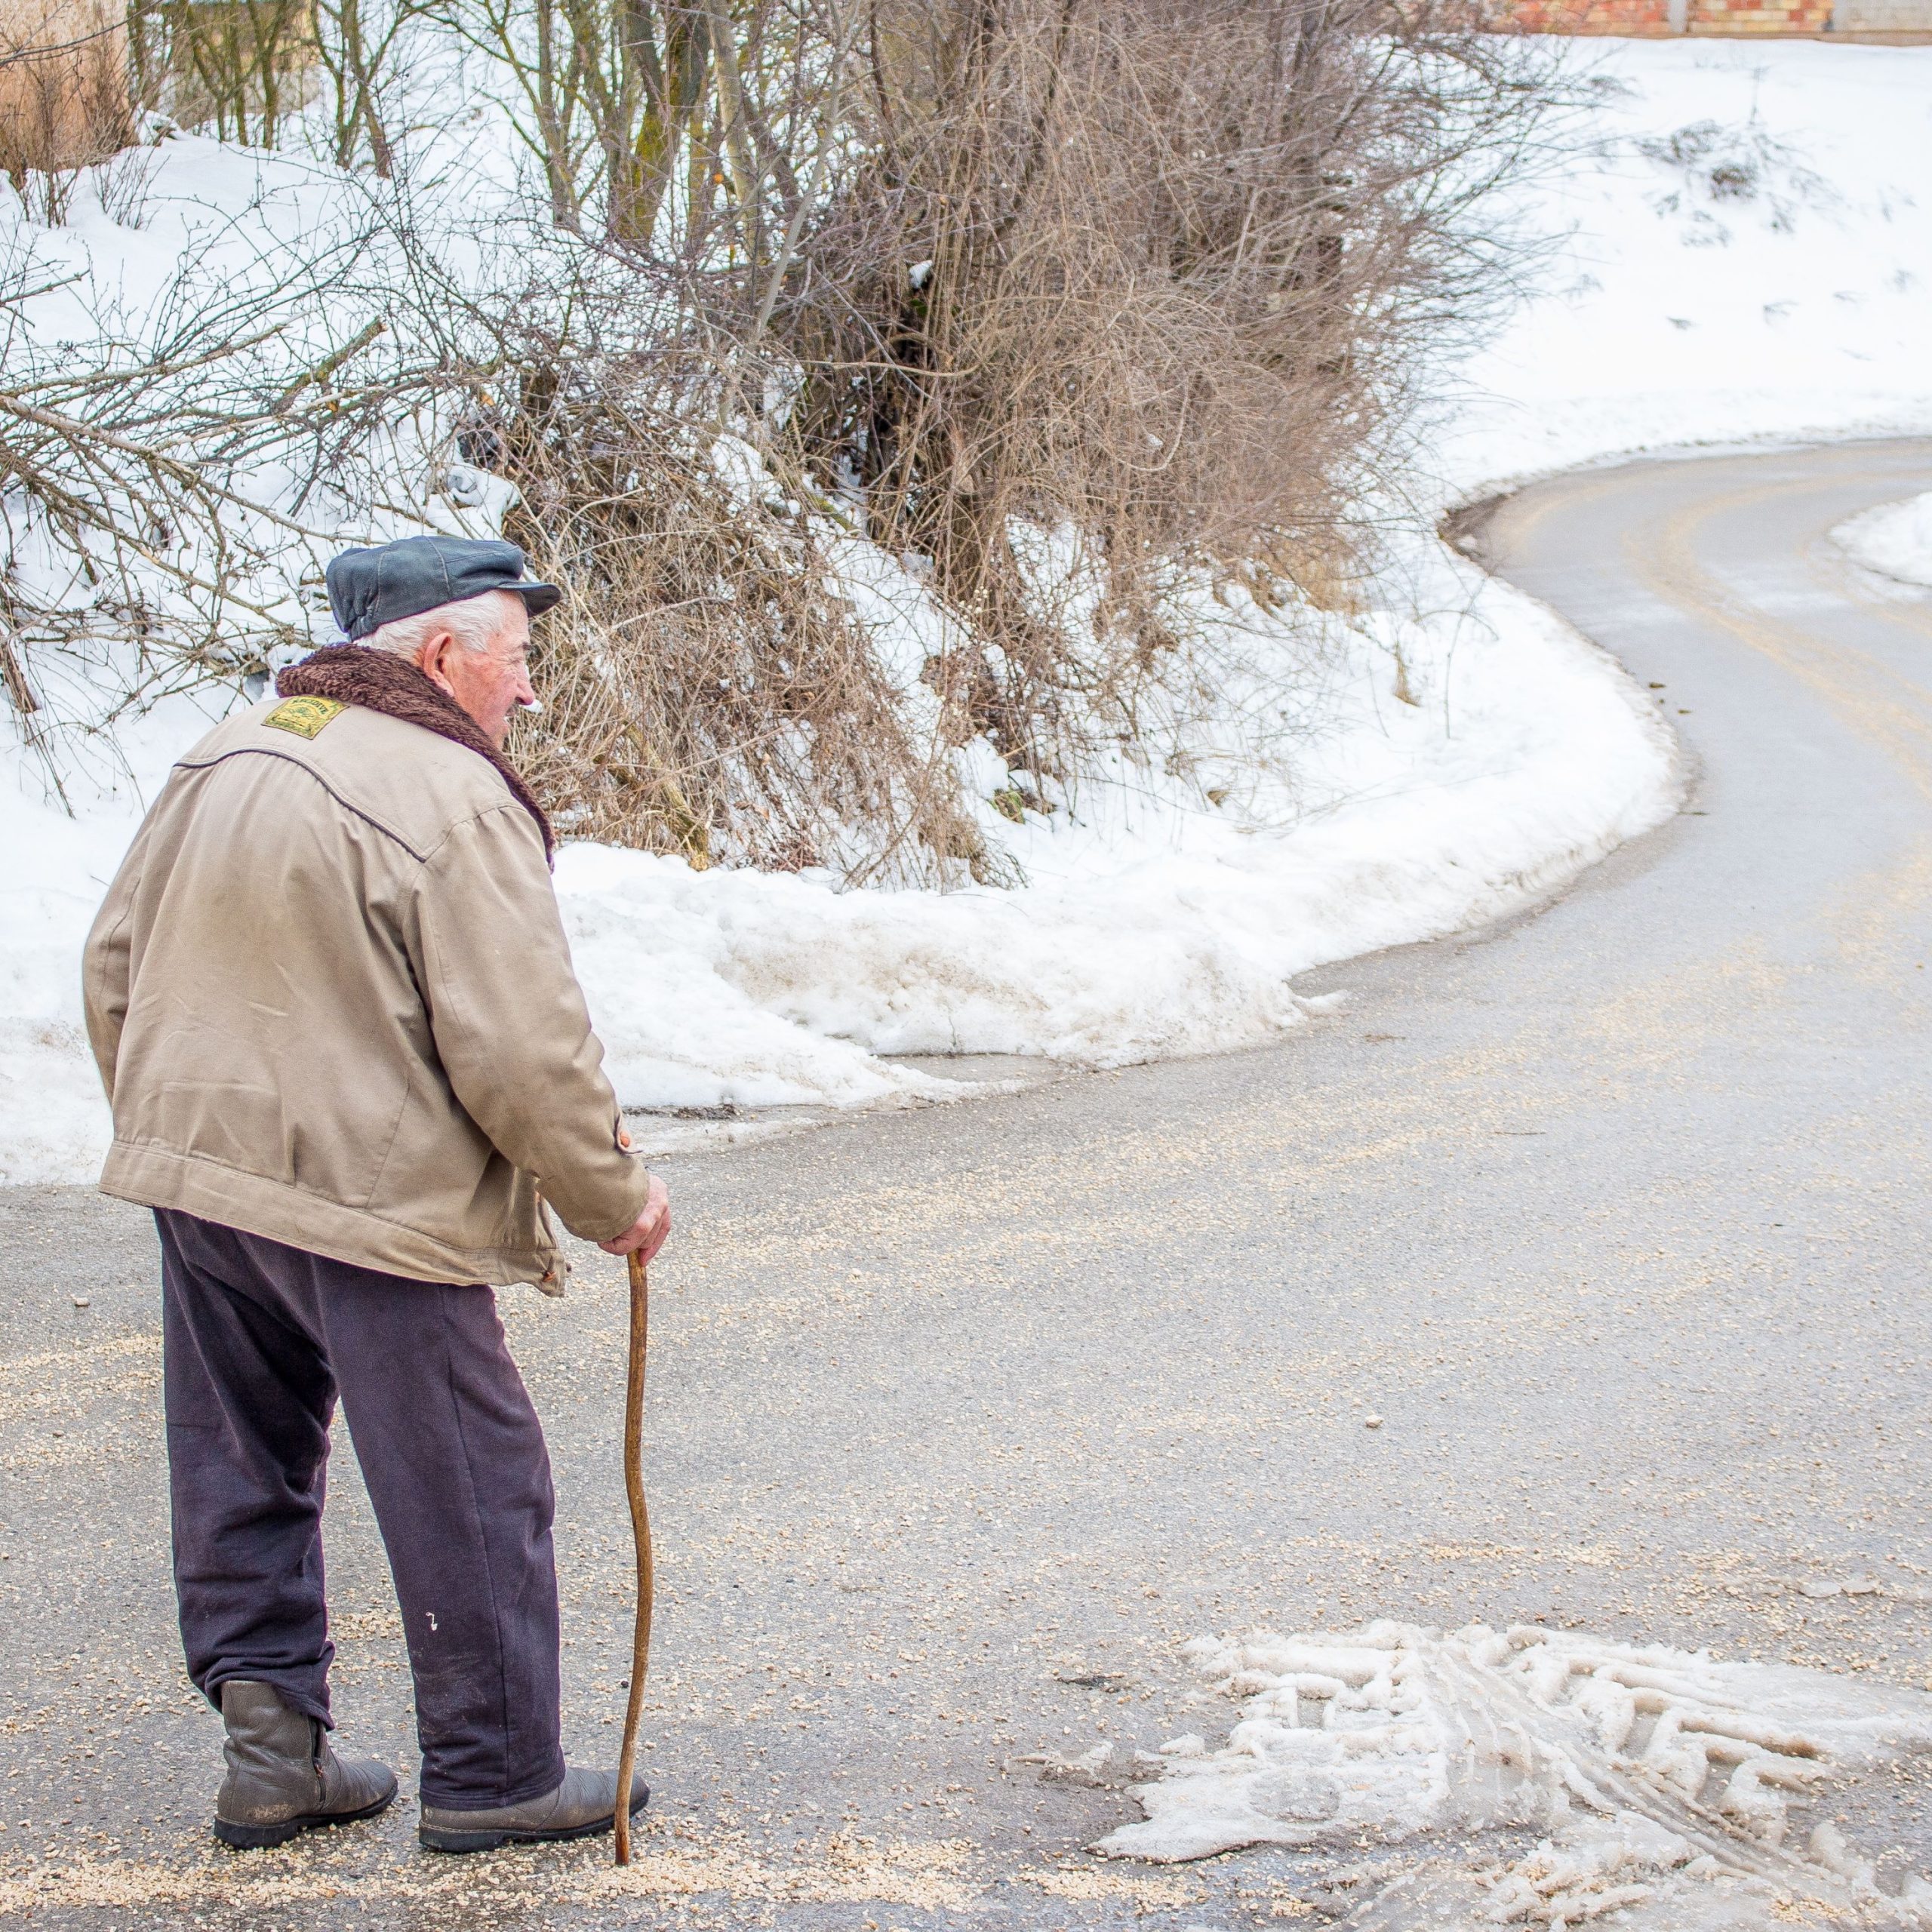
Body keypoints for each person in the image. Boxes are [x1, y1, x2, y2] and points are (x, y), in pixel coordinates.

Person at [82, 534, 671, 1854]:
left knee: (243, 1461)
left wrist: (175, 1127)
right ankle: (498, 1774)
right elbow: (525, 1047)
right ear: (445, 651)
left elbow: (113, 960)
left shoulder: (226, 750)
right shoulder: (453, 796)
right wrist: (610, 1195)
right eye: (517, 661)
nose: (527, 695)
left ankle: (274, 1756)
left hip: (204, 1173)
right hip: (366, 1195)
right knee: (474, 1478)